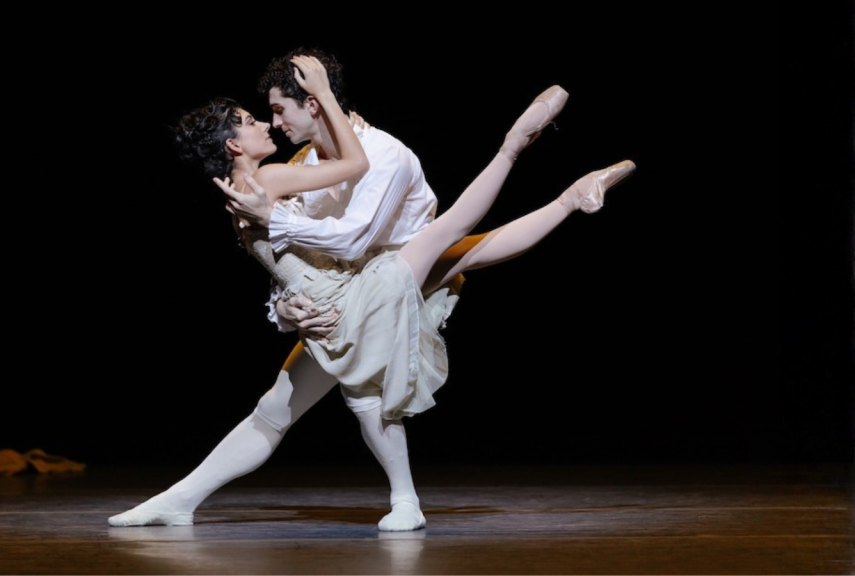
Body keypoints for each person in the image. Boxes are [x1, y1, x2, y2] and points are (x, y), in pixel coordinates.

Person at [107, 53, 634, 531]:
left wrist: (282, 236)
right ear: (232, 146)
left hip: (370, 274)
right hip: (342, 292)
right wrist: (286, 309)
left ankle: (530, 159)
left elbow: (351, 236)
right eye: (254, 119)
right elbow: (287, 261)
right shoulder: (280, 173)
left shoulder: (383, 156)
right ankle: (182, 499)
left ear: (311, 103)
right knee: (286, 407)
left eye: (273, 111)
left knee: (451, 245)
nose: (270, 122)